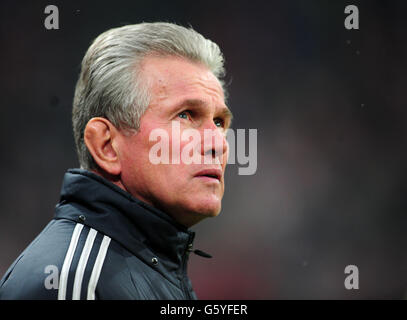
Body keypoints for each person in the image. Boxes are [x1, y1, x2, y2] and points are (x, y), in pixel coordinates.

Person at [0, 22, 232, 300]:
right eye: (185, 115)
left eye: (219, 122)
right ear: (107, 146)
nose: (218, 143)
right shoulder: (72, 283)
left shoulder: (154, 269)